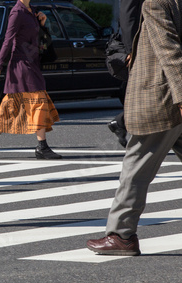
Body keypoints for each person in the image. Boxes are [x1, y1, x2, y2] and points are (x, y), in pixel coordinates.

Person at [87, 0, 182, 256]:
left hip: (162, 99)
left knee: (136, 167)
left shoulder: (155, 3)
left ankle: (121, 235)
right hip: (171, 98)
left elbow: (168, 50)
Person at [0, 0, 61, 160]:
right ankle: (42, 147)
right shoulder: (17, 13)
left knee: (13, 106)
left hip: (32, 63)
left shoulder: (32, 11)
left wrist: (43, 24)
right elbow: (8, 40)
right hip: (21, 66)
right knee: (38, 101)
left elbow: (38, 39)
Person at [107, 0, 145, 148]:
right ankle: (122, 121)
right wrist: (131, 49)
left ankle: (121, 121)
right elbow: (128, 14)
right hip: (142, 46)